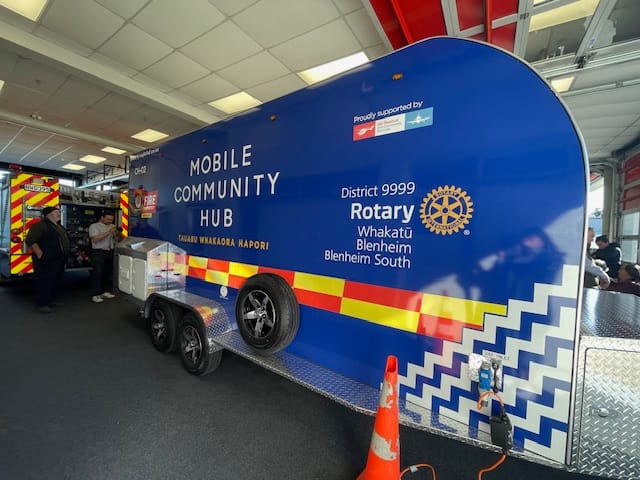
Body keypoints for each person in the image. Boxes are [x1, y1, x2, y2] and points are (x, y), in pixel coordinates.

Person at [25, 206, 71, 313]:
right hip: (46, 260)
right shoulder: (40, 226)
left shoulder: (59, 226)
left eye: (59, 212)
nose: (59, 214)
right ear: (48, 214)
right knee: (44, 281)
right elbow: (31, 241)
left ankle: (51, 300)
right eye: (56, 212)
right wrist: (40, 255)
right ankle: (43, 304)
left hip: (58, 259)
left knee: (55, 280)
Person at [89, 211, 117, 303]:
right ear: (102, 217)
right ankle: (95, 294)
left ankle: (104, 291)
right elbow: (95, 239)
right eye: (108, 219)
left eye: (111, 220)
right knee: (97, 272)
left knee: (107, 272)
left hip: (109, 251)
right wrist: (109, 232)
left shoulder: (112, 226)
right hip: (98, 252)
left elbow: (116, 239)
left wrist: (117, 234)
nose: (110, 221)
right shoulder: (94, 226)